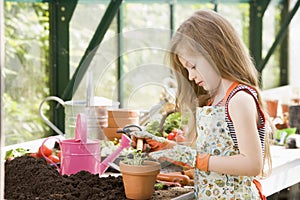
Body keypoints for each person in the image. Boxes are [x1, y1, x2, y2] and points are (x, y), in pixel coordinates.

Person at [132, 9, 272, 199]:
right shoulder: (215, 101)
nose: (190, 76)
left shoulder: (239, 99)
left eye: (193, 66)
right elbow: (214, 155)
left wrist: (195, 158)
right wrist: (166, 147)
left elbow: (252, 164)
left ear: (216, 52)